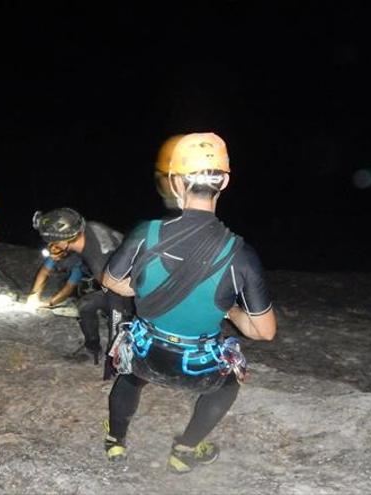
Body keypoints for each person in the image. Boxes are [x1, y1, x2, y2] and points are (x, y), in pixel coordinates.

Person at [101, 132, 277, 473]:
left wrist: (149, 291)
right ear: (223, 181)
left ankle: (116, 443)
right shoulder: (240, 254)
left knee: (129, 377)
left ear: (174, 182)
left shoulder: (145, 233)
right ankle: (184, 450)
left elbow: (111, 282)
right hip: (198, 371)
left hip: (145, 356)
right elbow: (264, 331)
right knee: (227, 387)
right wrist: (227, 309)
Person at [32, 208, 133, 369]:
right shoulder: (88, 229)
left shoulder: (98, 259)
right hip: (119, 280)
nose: (51, 245)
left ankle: (122, 365)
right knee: (86, 305)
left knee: (119, 323)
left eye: (53, 241)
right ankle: (92, 348)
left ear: (65, 241)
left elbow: (118, 302)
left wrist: (113, 354)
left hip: (129, 290)